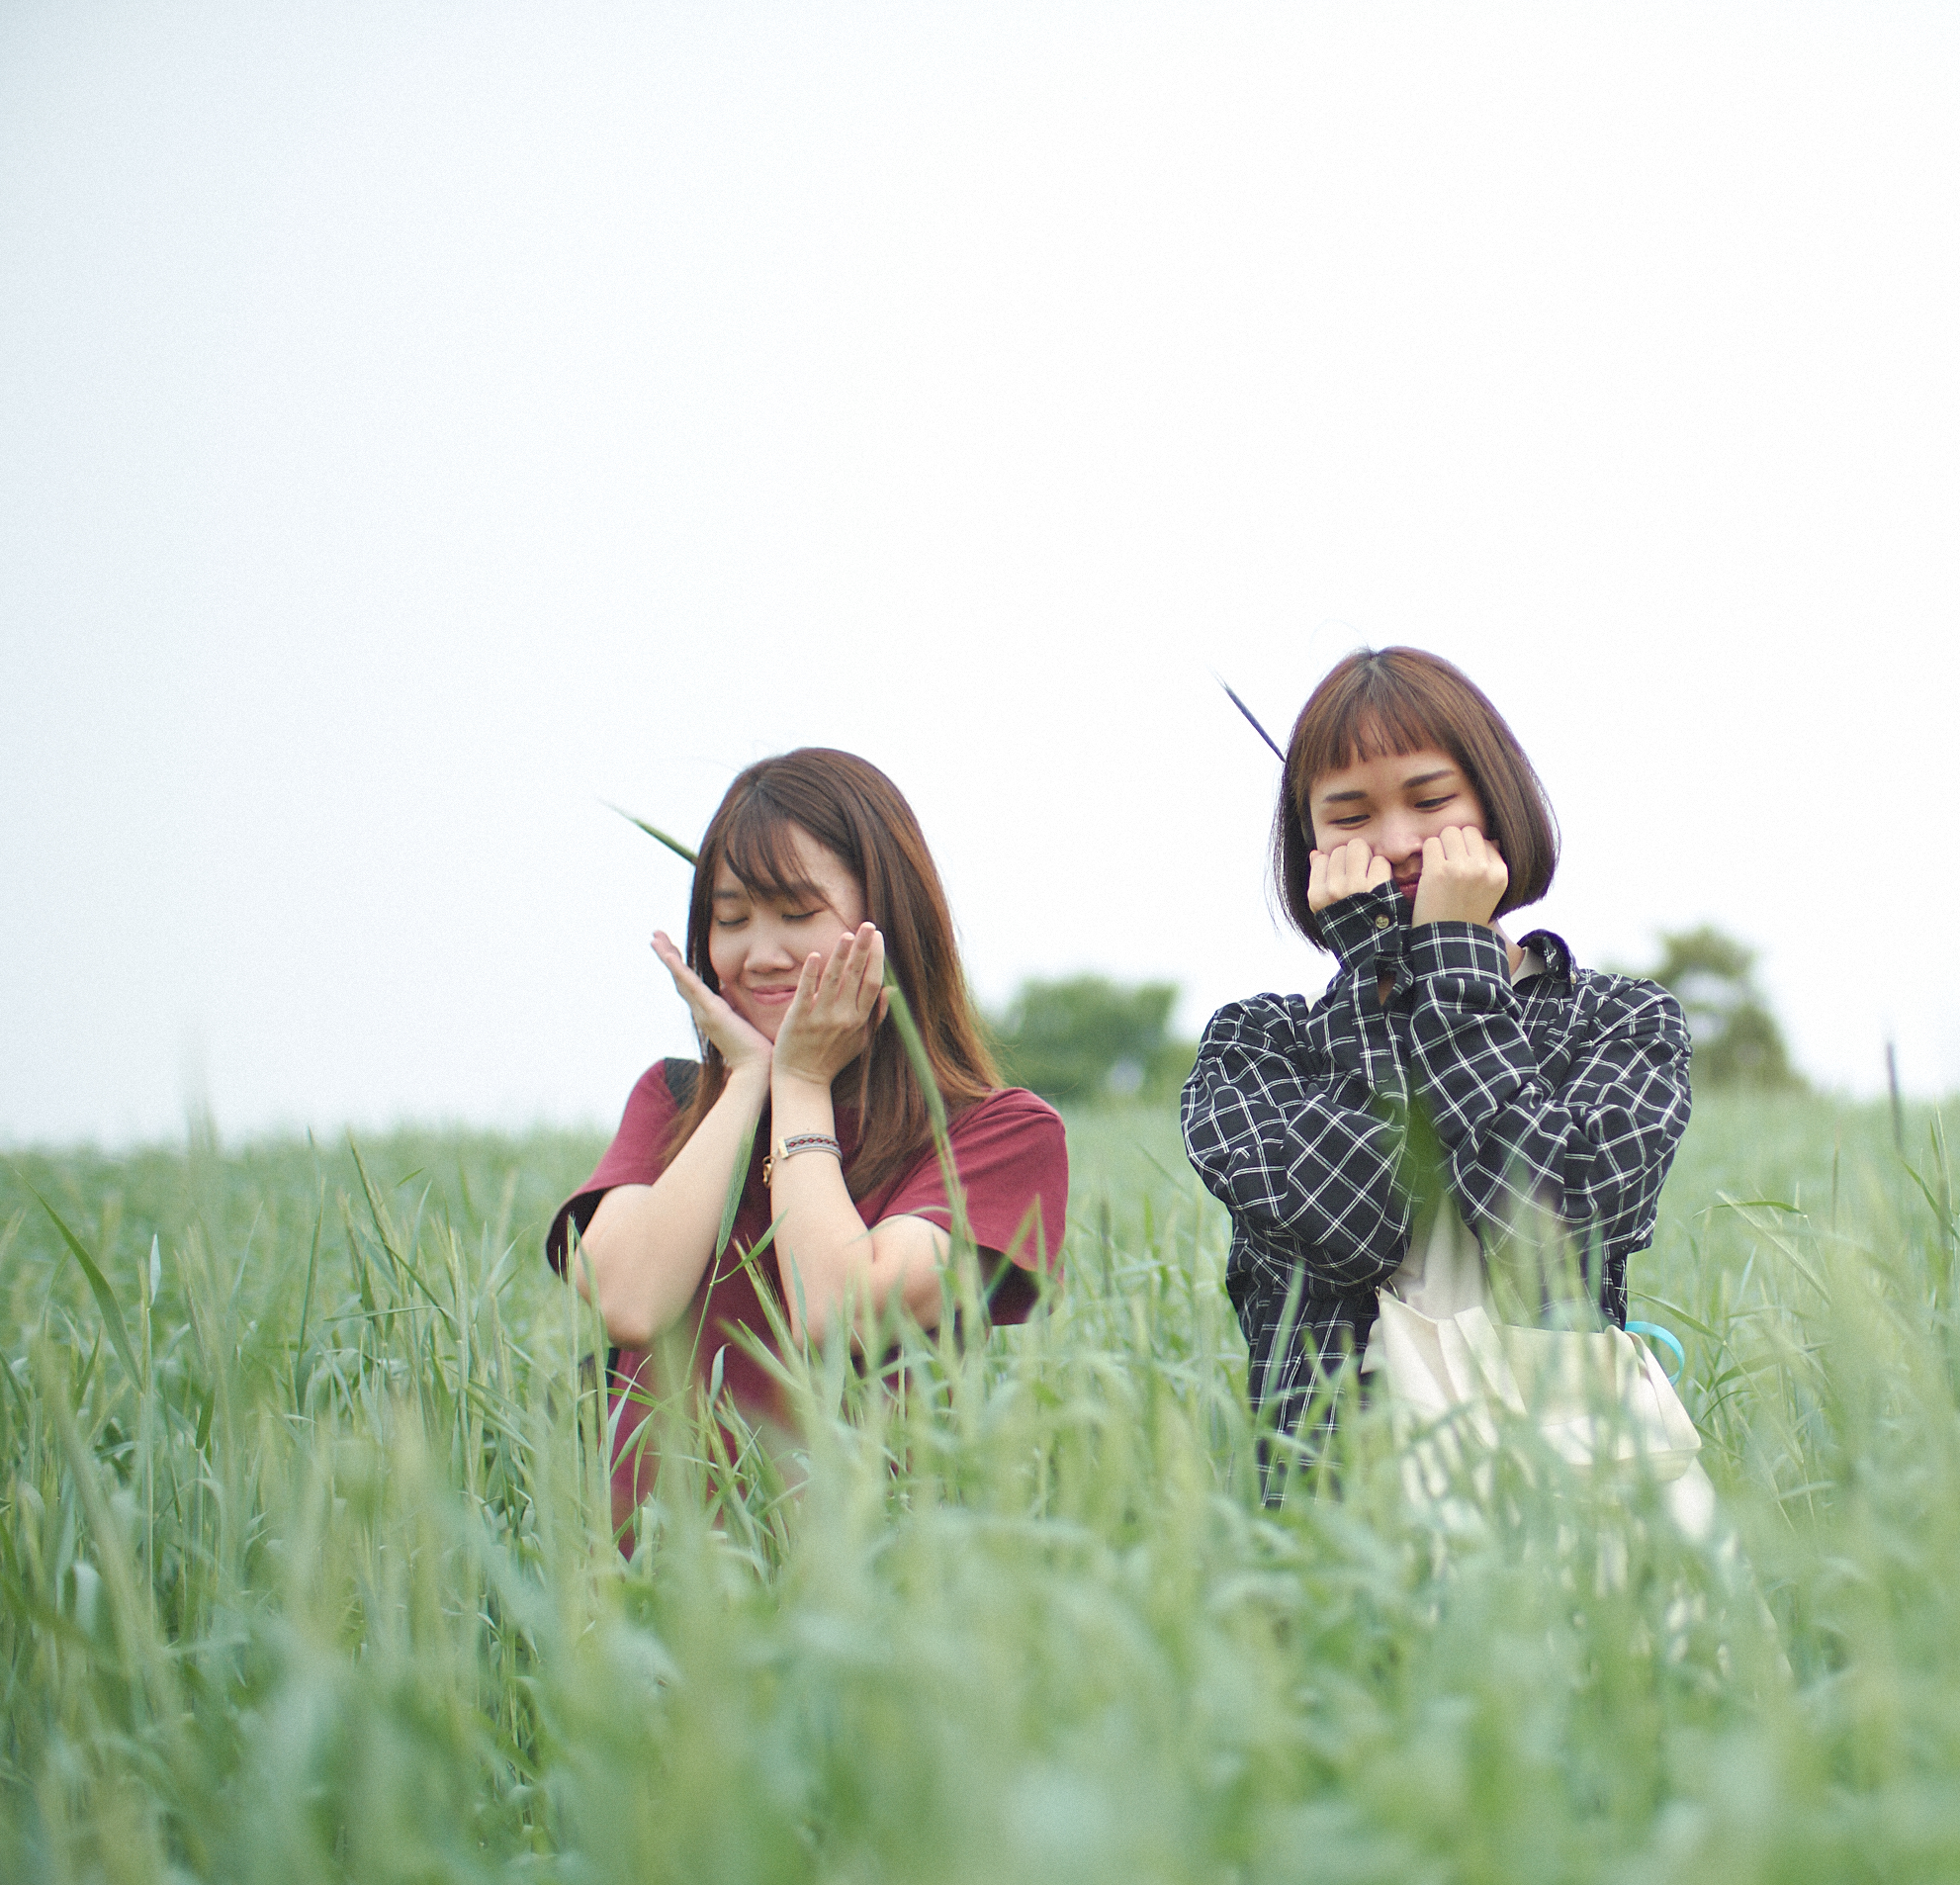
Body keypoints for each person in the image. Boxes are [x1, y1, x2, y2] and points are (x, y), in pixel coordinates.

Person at [1181, 648, 1693, 1497]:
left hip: (1570, 1498)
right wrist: (1377, 973)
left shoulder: (1618, 1021)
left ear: (1495, 805)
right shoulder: (1257, 1046)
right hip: (1341, 1513)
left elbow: (1552, 1240)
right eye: (1349, 816)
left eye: (1430, 801)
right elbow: (1350, 1229)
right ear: (1311, 847)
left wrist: (1451, 967)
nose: (1394, 842)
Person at [546, 747, 1066, 1537]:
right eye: (730, 921)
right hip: (651, 1579)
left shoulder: (995, 1133)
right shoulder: (672, 1103)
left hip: (868, 1575)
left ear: (889, 920)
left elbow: (839, 1313)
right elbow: (631, 1302)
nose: (761, 955)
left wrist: (799, 1081)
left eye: (796, 915)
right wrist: (748, 1080)